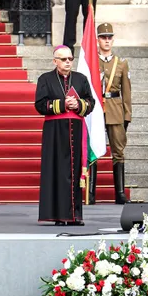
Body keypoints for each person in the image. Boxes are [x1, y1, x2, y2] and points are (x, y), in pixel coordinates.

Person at [35, 45, 96, 225]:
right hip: (54, 131)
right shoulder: (45, 79)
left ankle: (75, 215)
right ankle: (59, 215)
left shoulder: (81, 79)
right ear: (55, 61)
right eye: (64, 59)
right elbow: (39, 105)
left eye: (70, 59)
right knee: (58, 171)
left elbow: (90, 102)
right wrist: (62, 104)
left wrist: (78, 105)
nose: (68, 62)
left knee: (75, 172)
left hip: (76, 130)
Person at [96, 23, 131, 205]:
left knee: (118, 151)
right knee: (93, 149)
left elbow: (127, 91)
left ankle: (120, 193)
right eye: (103, 37)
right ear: (98, 39)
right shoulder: (92, 61)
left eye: (109, 37)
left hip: (116, 109)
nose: (107, 41)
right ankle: (91, 193)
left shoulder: (122, 63)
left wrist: (127, 115)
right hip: (96, 109)